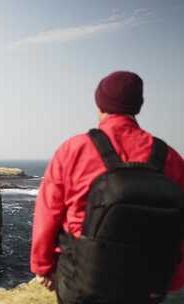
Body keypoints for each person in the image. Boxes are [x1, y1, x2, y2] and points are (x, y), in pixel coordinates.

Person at [30, 71, 184, 303]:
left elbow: (48, 213)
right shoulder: (171, 158)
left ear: (99, 103)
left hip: (81, 281)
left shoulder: (74, 149)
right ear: (137, 106)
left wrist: (43, 267)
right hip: (145, 284)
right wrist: (173, 279)